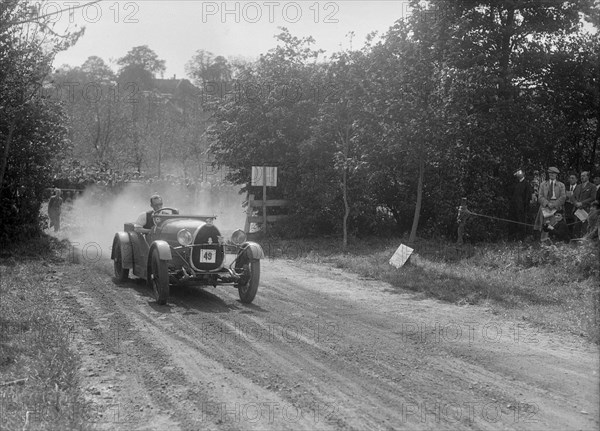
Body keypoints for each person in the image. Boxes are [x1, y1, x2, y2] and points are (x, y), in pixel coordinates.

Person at [534, 167, 566, 242]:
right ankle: (544, 242)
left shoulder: (561, 185)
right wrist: (548, 204)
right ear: (548, 174)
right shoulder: (543, 184)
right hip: (545, 206)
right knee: (545, 225)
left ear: (556, 175)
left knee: (556, 224)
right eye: (550, 173)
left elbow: (563, 197)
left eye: (553, 173)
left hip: (556, 207)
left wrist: (554, 204)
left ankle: (555, 242)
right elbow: (540, 197)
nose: (552, 174)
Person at [509, 169, 532, 240]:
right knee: (513, 222)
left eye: (519, 172)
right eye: (516, 173)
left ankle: (521, 238)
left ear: (523, 173)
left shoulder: (527, 184)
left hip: (522, 207)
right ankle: (513, 238)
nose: (517, 174)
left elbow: (528, 197)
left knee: (521, 222)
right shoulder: (515, 183)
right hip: (514, 207)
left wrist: (524, 206)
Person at [572, 171, 595, 238]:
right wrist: (576, 203)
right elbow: (573, 197)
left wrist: (582, 203)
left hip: (586, 210)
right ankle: (575, 243)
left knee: (585, 227)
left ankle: (583, 244)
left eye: (584, 176)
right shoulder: (578, 186)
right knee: (576, 227)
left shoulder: (592, 186)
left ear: (588, 177)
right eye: (581, 176)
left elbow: (592, 198)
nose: (582, 177)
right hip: (577, 210)